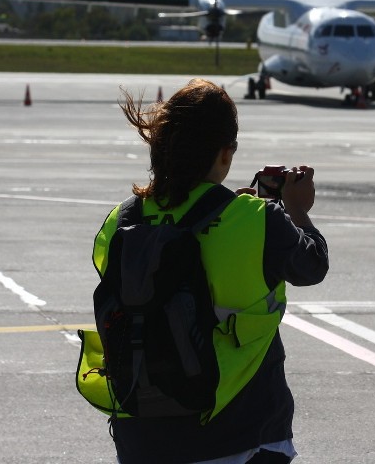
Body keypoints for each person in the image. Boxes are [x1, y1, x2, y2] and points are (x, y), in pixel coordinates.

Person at [93, 78, 328, 464]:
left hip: (142, 434)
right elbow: (311, 265)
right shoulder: (256, 220)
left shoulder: (122, 219)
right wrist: (298, 211)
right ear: (225, 154)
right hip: (239, 433)